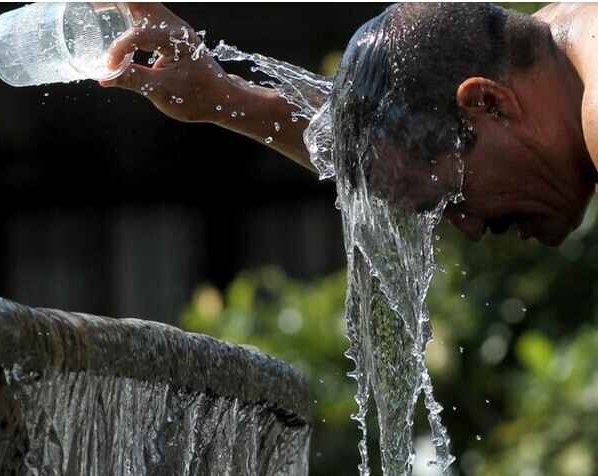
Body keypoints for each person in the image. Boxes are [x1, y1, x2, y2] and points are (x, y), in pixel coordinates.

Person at [101, 3, 598, 247]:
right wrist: (220, 97)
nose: (467, 227)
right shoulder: (553, 54)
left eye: (453, 197)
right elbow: (378, 138)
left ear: (487, 103)